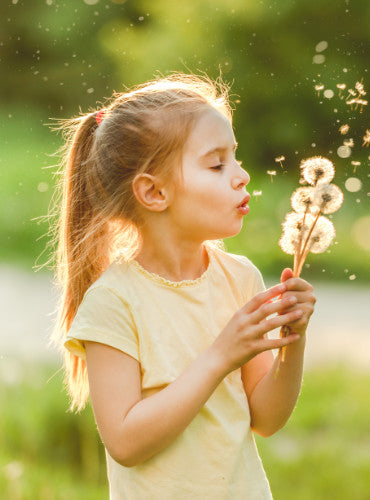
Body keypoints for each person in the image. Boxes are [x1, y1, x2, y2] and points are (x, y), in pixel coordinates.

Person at [50, 72, 316, 499]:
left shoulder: (240, 277)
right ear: (153, 192)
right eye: (216, 164)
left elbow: (266, 418)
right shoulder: (114, 301)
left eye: (236, 156)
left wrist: (293, 340)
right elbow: (125, 443)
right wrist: (220, 357)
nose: (242, 175)